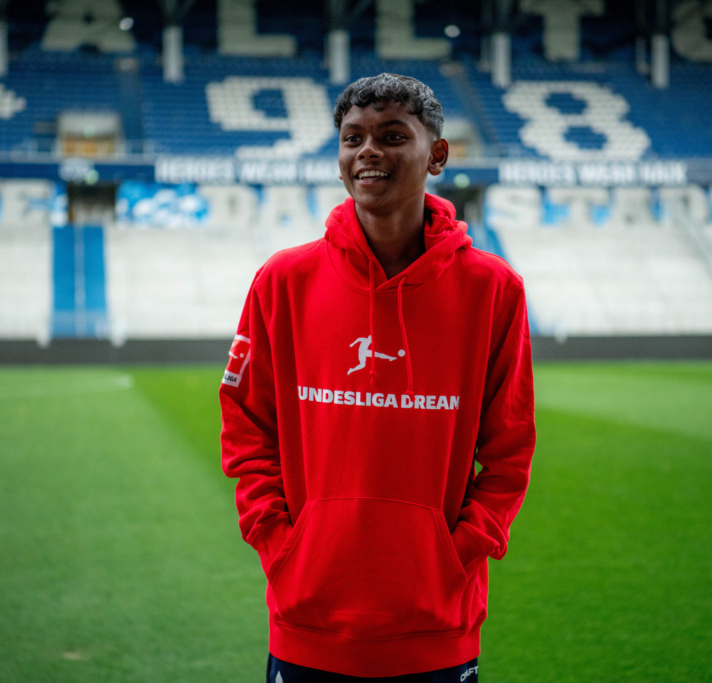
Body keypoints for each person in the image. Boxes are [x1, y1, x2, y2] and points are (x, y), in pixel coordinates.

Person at [220, 73, 536, 682]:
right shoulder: (282, 282)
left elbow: (510, 450)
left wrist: (456, 556)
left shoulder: (494, 290)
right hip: (307, 622)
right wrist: (282, 547)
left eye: (392, 136)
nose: (368, 151)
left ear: (436, 154)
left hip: (436, 627)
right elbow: (246, 427)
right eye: (353, 138)